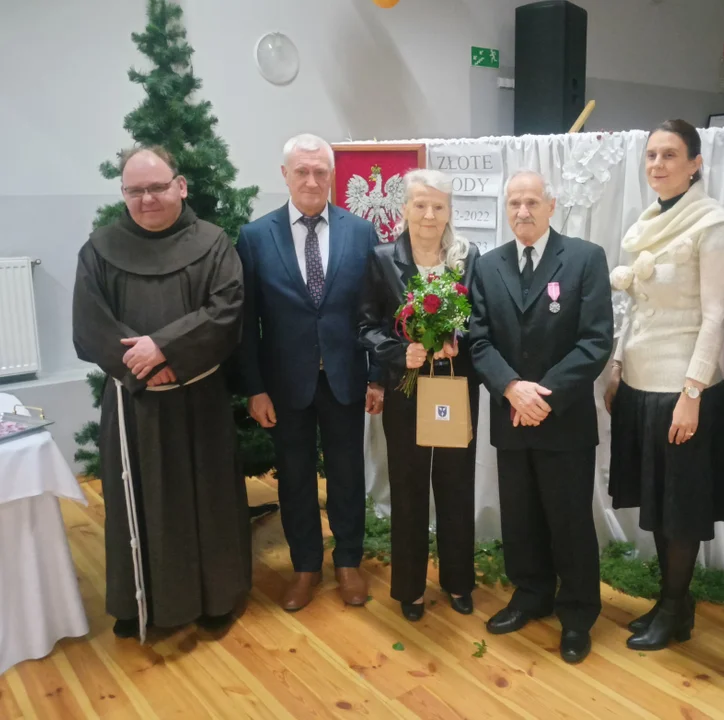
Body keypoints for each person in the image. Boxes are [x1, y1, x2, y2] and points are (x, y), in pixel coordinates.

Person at [72, 145, 251, 638]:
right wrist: (144, 364)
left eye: (156, 187)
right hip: (134, 404)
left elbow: (227, 311)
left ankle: (215, 598)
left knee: (206, 498)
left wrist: (166, 349)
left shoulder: (214, 244)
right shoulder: (100, 249)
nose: (146, 198)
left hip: (199, 400)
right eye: (135, 190)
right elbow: (90, 325)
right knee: (138, 496)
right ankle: (136, 602)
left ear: (180, 186)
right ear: (123, 193)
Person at [605, 119, 724, 651]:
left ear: (695, 164)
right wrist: (617, 365)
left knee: (680, 509)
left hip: (685, 391)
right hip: (641, 384)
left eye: (670, 155)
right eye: (651, 155)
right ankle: (674, 603)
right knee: (658, 504)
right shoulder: (646, 223)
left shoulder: (713, 225)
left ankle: (673, 608)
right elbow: (635, 306)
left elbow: (716, 317)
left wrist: (691, 394)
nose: (657, 165)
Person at [469, 169, 613, 664]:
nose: (523, 212)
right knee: (521, 514)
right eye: (514, 203)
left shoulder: (584, 258)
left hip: (563, 419)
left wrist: (541, 395)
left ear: (552, 206)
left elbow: (596, 340)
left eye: (531, 202)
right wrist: (512, 388)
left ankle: (576, 614)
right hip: (511, 414)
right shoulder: (488, 266)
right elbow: (478, 339)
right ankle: (531, 593)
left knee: (570, 519)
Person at [236, 134, 383, 611]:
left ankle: (348, 563)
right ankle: (304, 567)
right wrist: (255, 388)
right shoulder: (256, 238)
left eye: (321, 171)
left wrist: (377, 376)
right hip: (285, 386)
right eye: (302, 171)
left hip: (345, 379)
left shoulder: (360, 233)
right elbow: (246, 323)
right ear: (285, 175)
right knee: (294, 477)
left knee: (346, 474)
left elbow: (377, 313)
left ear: (332, 176)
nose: (312, 180)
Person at [358, 169, 480, 621]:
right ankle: (409, 588)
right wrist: (397, 352)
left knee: (456, 486)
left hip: (455, 385)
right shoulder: (382, 258)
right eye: (421, 205)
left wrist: (459, 341)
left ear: (450, 211)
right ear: (405, 208)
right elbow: (365, 325)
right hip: (406, 390)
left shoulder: (468, 258)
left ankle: (458, 582)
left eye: (439, 206)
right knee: (408, 489)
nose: (430, 215)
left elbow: (482, 320)